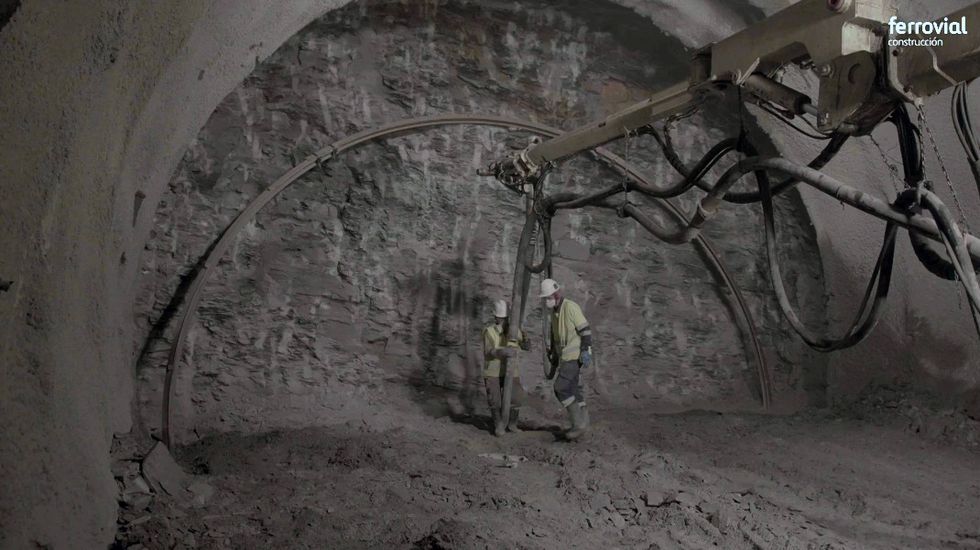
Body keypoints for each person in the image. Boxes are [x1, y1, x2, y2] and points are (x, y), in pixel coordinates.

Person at [540, 278, 592, 440]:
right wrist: (554, 357)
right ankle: (584, 421)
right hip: (565, 357)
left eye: (548, 298)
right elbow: (558, 340)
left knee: (560, 388)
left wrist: (585, 350)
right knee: (573, 389)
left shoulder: (570, 307)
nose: (546, 301)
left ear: (556, 295)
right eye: (545, 298)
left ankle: (578, 425)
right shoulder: (554, 313)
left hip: (575, 356)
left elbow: (585, 330)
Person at [482, 299, 530, 436]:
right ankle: (499, 425)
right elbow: (488, 351)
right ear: (495, 317)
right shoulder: (489, 331)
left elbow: (527, 347)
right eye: (501, 318)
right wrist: (502, 352)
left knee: (516, 396)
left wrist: (523, 334)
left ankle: (512, 424)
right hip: (493, 371)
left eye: (506, 318)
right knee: (495, 400)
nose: (503, 321)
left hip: (510, 371)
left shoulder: (514, 331)